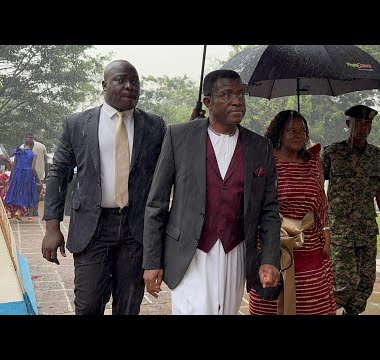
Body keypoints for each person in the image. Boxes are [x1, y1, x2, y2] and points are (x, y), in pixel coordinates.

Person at [143, 69, 281, 315]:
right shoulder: (179, 136)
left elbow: (269, 210)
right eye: (227, 94)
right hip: (190, 252)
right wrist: (152, 261)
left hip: (234, 251)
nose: (237, 100)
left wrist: (270, 259)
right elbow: (157, 203)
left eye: (240, 94)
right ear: (207, 102)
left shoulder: (260, 146)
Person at [41, 60, 167, 315]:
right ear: (104, 84)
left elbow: (167, 171)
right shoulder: (78, 124)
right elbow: (58, 173)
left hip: (135, 230)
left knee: (129, 306)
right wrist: (52, 227)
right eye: (121, 80)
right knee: (88, 305)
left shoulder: (154, 126)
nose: (130, 86)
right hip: (92, 229)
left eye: (135, 81)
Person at [248, 110, 336, 315]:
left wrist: (325, 228)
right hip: (272, 242)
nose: (298, 135)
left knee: (313, 302)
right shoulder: (264, 160)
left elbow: (321, 201)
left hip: (309, 242)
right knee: (270, 300)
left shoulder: (313, 161)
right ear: (278, 133)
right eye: (291, 131)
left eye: (302, 131)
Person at [321, 104, 380, 315]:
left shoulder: (376, 155)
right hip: (341, 232)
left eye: (368, 123)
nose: (364, 127)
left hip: (366, 230)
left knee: (365, 284)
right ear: (349, 124)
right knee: (343, 284)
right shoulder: (333, 152)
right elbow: (316, 186)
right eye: (360, 123)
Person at [5, 139, 41, 222]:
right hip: (28, 175)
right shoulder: (33, 154)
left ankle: (18, 211)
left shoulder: (18, 153)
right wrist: (38, 179)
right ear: (32, 146)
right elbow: (32, 168)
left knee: (19, 192)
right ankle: (30, 217)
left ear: (25, 145)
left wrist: (10, 178)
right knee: (30, 193)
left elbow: (13, 167)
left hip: (18, 174)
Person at [20, 133, 48, 216]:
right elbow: (46, 162)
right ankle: (34, 209)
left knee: (28, 192)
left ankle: (30, 209)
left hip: (27, 174)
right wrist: (46, 174)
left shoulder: (22, 147)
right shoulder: (42, 146)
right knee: (37, 192)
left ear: (25, 138)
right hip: (40, 174)